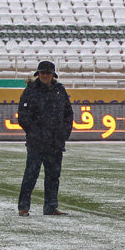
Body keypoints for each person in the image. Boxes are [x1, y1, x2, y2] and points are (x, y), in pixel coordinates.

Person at [17, 60, 74, 216]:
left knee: (53, 177)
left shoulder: (60, 91)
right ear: (38, 74)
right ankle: (23, 207)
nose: (44, 76)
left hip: (55, 142)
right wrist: (35, 134)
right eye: (42, 73)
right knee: (31, 175)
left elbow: (68, 114)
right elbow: (23, 117)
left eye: (47, 73)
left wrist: (63, 134)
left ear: (53, 75)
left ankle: (50, 206)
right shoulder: (30, 91)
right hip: (37, 143)